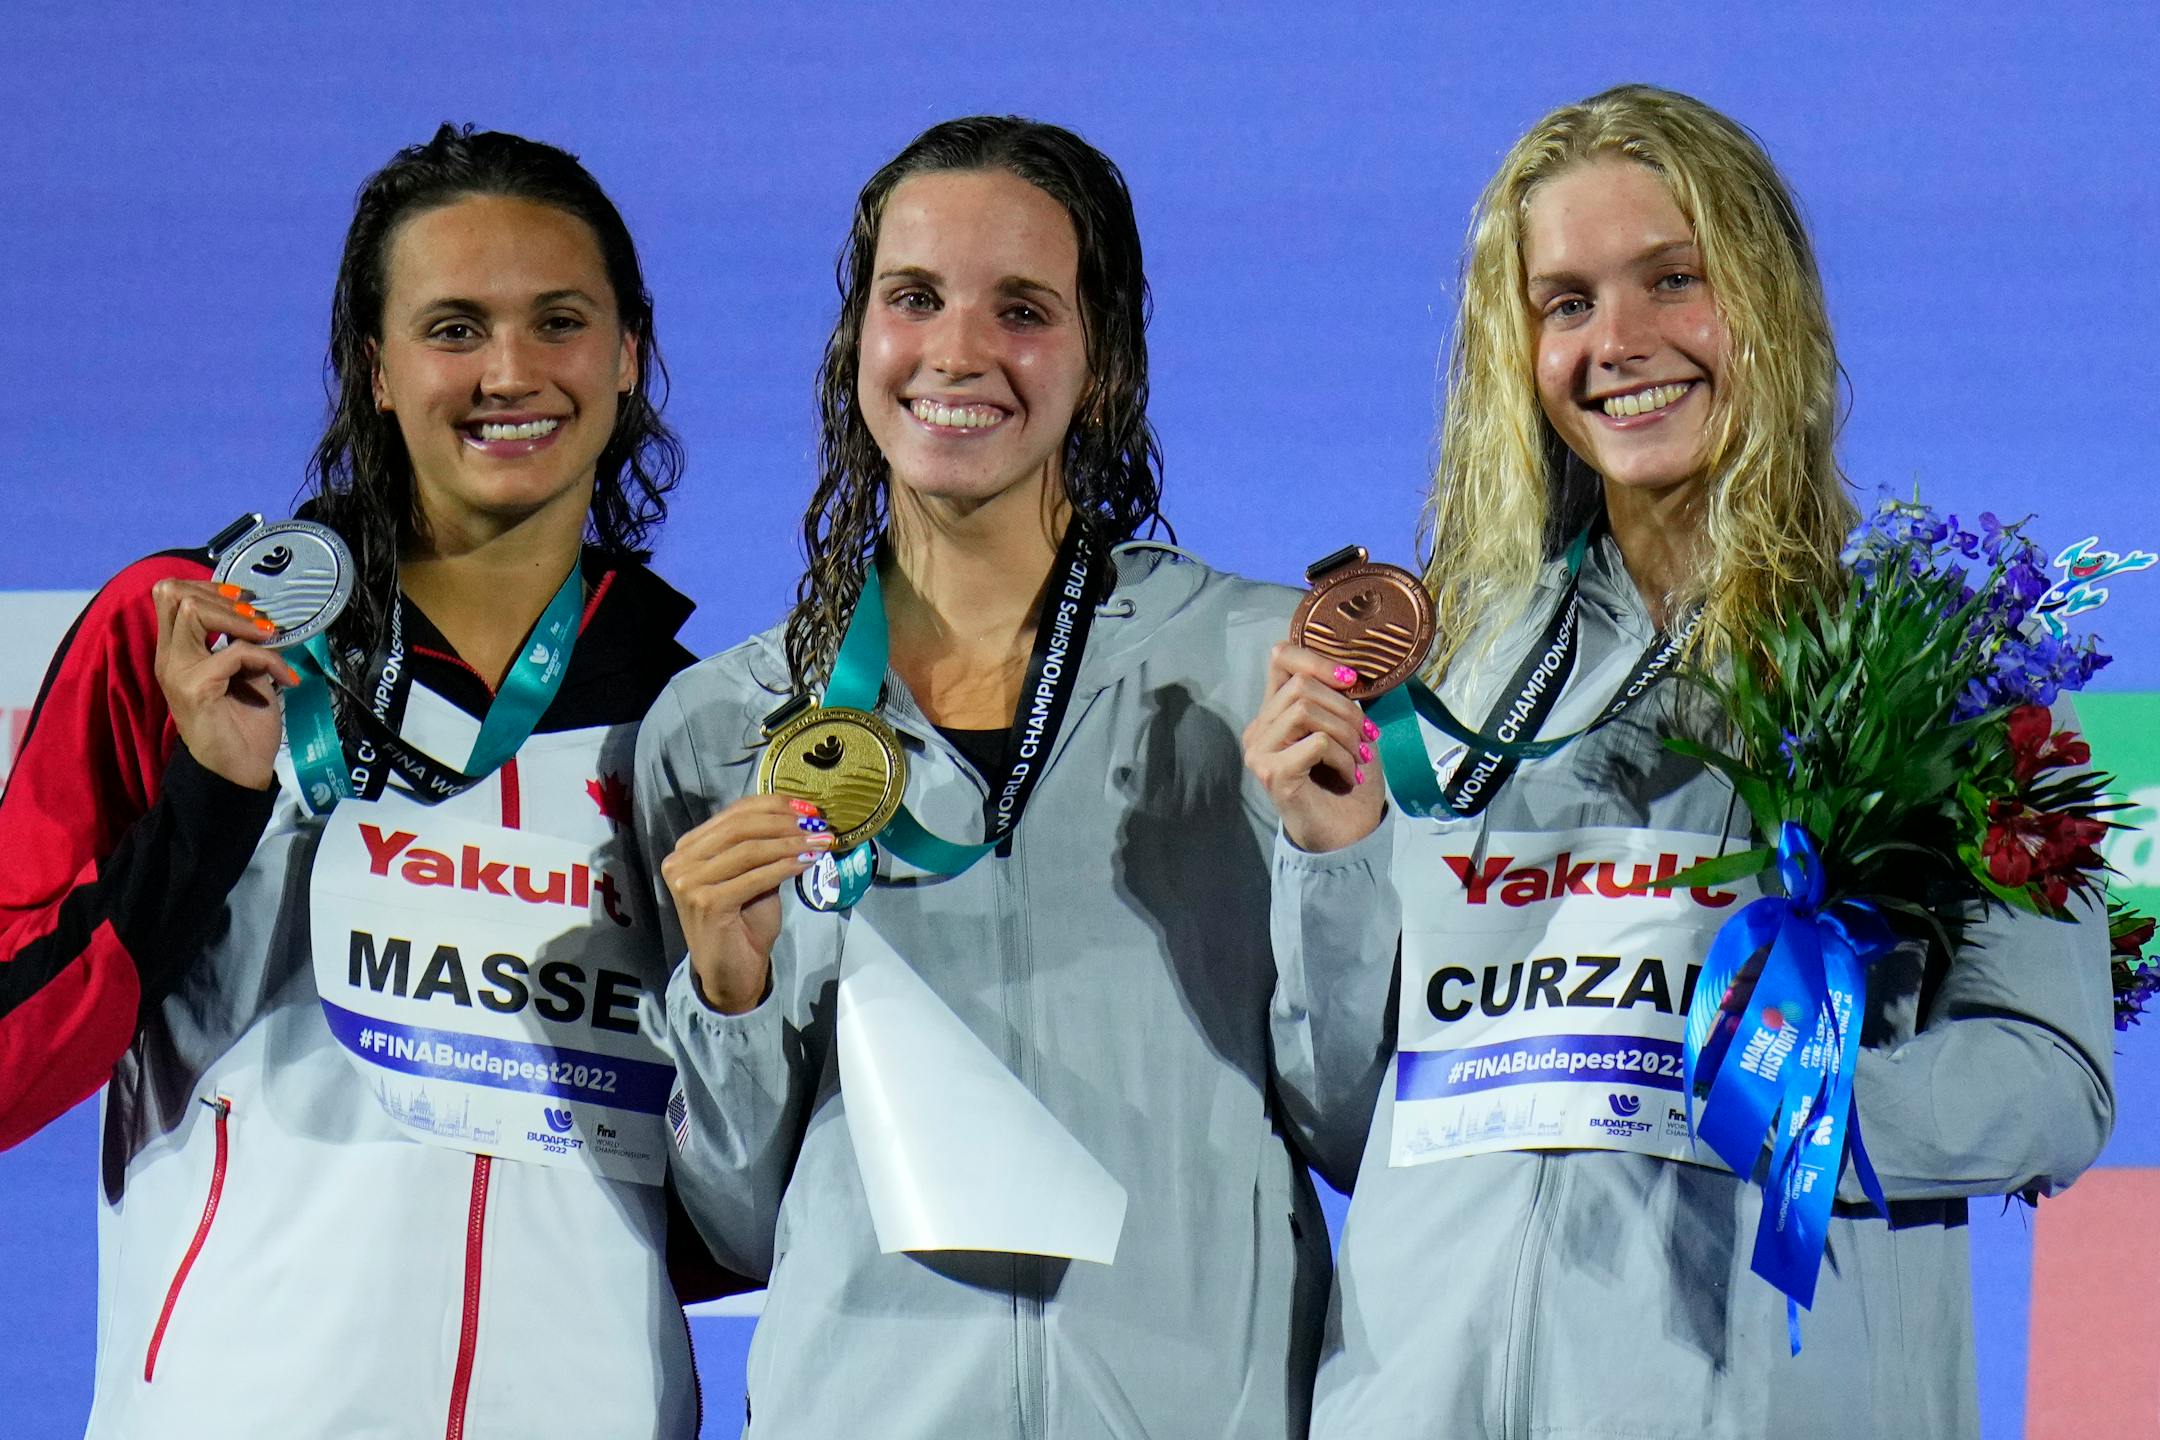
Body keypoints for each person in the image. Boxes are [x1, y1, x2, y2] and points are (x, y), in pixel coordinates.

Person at [1244, 84, 2115, 1439]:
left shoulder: (1944, 667)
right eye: (1567, 301)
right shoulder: (1449, 685)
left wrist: (1807, 1108)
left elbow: (2058, 1082)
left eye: (1673, 280)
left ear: (1767, 298)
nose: (1619, 343)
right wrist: (1334, 863)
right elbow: (1357, 1122)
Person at [0, 125, 711, 1436]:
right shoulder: (191, 637)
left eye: (560, 321)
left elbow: (732, 1198)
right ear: (376, 369)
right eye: (454, 327)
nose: (510, 371)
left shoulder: (696, 720)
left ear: (625, 356)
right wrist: (208, 803)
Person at [639, 115, 1329, 1438]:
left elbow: (1352, 1119)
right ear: (857, 345)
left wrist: (1341, 865)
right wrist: (725, 989)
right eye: (915, 299)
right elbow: (731, 1222)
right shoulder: (723, 726)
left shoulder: (1262, 674)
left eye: (1022, 308)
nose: (959, 352)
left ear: (1105, 362)